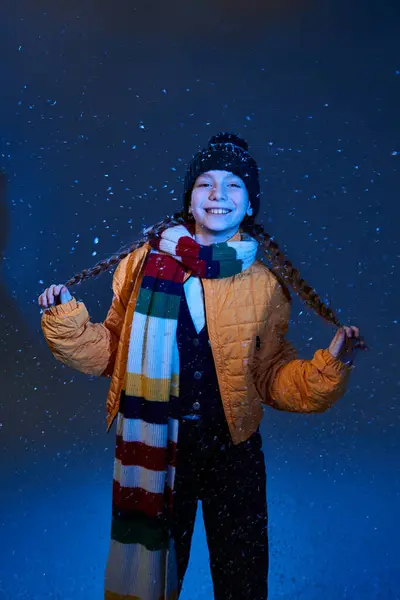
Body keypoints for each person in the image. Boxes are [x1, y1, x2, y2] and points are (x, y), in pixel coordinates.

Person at [39, 132, 367, 600]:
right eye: (206, 184)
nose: (218, 195)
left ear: (249, 203)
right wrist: (66, 321)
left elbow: (272, 376)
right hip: (160, 450)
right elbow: (111, 353)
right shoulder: (141, 265)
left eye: (233, 185)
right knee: (154, 583)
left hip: (235, 455)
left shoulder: (265, 285)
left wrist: (329, 366)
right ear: (189, 199)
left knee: (243, 584)